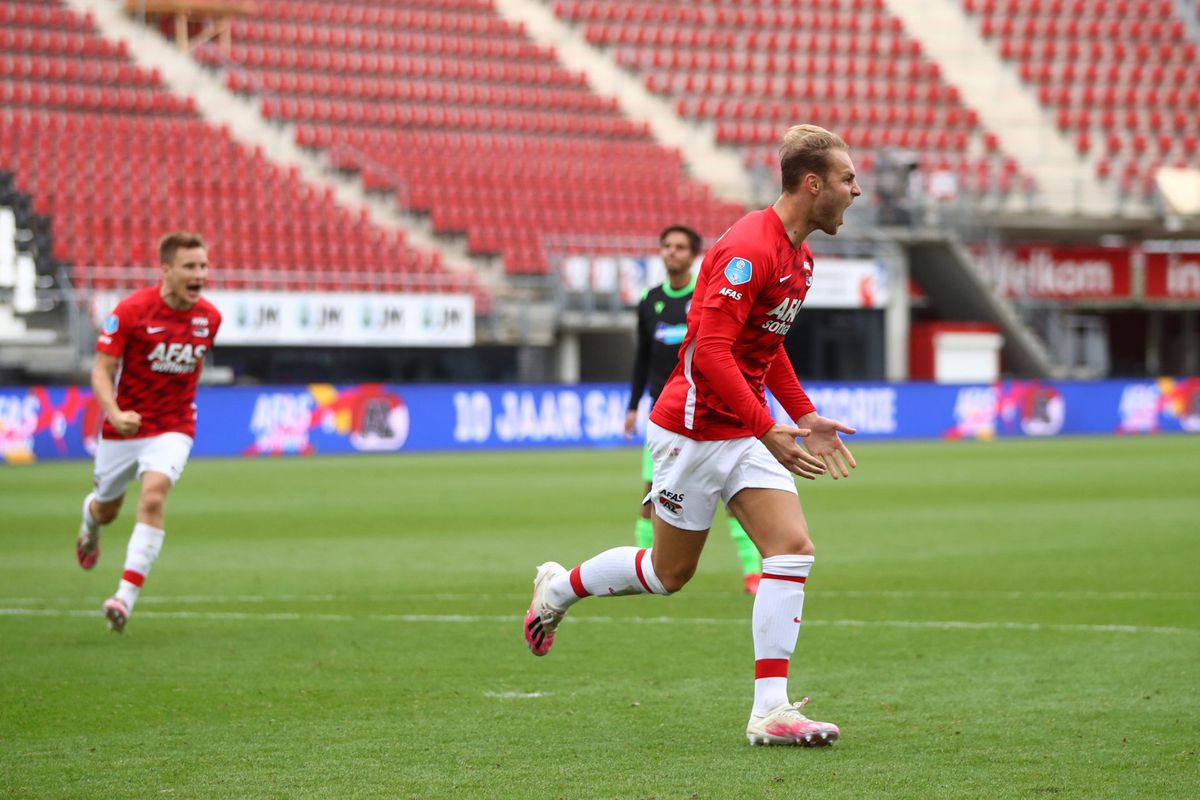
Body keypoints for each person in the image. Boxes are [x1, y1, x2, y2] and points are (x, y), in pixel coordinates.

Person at [524, 124, 862, 747]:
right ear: (813, 184)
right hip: (691, 431)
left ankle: (771, 711)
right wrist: (768, 427)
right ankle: (560, 587)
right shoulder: (750, 247)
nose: (855, 190)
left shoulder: (799, 257)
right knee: (667, 574)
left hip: (739, 431)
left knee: (791, 548)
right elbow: (709, 353)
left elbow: (766, 348)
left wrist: (803, 414)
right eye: (847, 179)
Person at [75, 232, 221, 633]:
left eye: (204, 266)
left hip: (174, 425)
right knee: (107, 509)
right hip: (124, 427)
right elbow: (101, 370)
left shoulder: (210, 318)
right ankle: (90, 522)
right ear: (167, 270)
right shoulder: (131, 311)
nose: (200, 274)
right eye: (190, 267)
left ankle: (124, 598)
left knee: (154, 497)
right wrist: (116, 413)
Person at [624, 224, 763, 594]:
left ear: (693, 254)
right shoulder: (649, 300)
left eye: (680, 247)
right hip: (664, 417)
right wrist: (632, 406)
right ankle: (639, 567)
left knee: (735, 498)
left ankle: (753, 572)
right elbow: (642, 357)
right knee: (651, 493)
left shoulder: (708, 297)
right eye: (666, 245)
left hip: (707, 413)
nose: (672, 252)